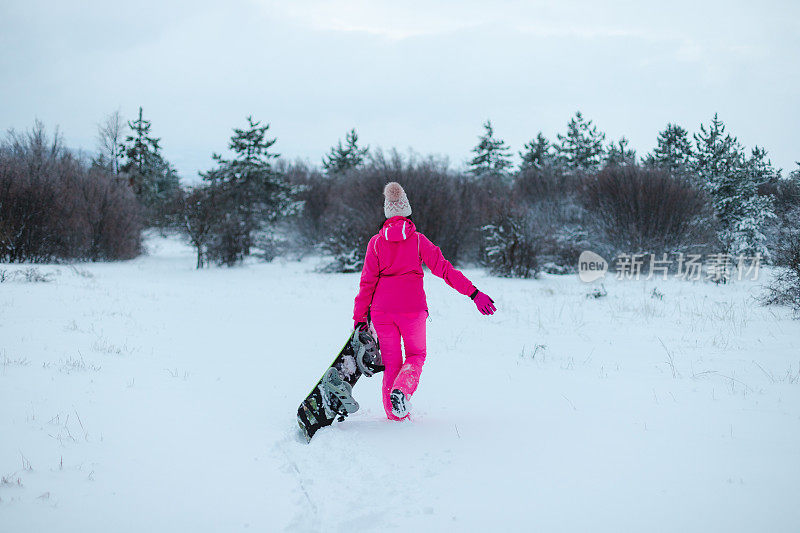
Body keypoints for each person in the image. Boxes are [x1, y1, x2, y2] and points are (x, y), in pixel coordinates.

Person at [352, 182, 496, 420]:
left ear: (387, 212)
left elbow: (366, 284)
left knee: (391, 363)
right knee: (416, 356)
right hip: (412, 310)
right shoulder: (418, 241)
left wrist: (359, 319)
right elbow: (446, 271)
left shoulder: (376, 243)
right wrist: (473, 293)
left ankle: (395, 417)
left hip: (382, 312)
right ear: (407, 211)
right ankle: (402, 391)